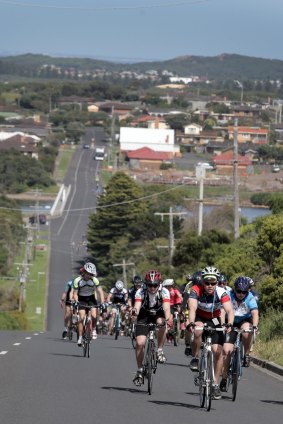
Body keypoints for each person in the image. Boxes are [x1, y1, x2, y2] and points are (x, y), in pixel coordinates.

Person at [187, 266, 234, 400]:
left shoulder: (221, 292)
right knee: (198, 330)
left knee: (218, 351)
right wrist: (191, 322)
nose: (210, 285)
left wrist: (229, 323)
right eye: (207, 282)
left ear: (217, 283)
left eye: (213, 283)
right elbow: (192, 308)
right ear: (202, 282)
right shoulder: (195, 290)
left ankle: (215, 384)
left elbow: (229, 310)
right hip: (200, 317)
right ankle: (195, 357)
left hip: (214, 318)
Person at [132, 270, 171, 386]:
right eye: (150, 285)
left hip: (158, 313)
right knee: (140, 343)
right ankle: (139, 370)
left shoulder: (164, 291)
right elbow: (137, 306)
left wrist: (168, 319)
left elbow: (167, 308)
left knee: (162, 322)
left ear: (159, 284)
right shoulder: (140, 291)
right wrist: (134, 312)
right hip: (144, 315)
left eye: (155, 285)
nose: (153, 288)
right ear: (146, 284)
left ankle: (159, 349)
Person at [219, 276, 259, 392]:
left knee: (248, 331)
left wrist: (255, 326)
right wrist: (222, 324)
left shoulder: (250, 297)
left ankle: (246, 355)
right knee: (226, 350)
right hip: (229, 322)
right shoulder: (228, 295)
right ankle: (224, 378)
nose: (241, 294)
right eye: (238, 291)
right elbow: (221, 311)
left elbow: (255, 313)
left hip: (243, 320)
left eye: (244, 292)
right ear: (234, 289)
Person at [72, 262, 105, 346]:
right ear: (84, 272)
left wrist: (102, 302)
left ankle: (93, 329)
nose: (89, 275)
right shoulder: (77, 280)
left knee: (94, 316)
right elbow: (75, 293)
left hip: (91, 298)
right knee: (81, 317)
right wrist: (76, 301)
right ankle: (80, 337)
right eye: (88, 273)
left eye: (91, 274)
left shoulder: (94, 280)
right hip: (81, 298)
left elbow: (100, 291)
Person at [181, 271, 202, 356]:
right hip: (189, 308)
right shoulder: (189, 286)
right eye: (195, 284)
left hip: (200, 309)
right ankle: (188, 344)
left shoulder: (205, 287)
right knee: (188, 326)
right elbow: (185, 299)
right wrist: (183, 309)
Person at [162, 278, 182, 342]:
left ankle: (181, 320)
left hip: (175, 305)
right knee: (170, 319)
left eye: (170, 286)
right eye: (167, 286)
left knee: (180, 310)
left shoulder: (175, 291)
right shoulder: (164, 292)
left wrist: (183, 300)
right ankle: (169, 333)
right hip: (168, 305)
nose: (169, 287)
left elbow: (179, 296)